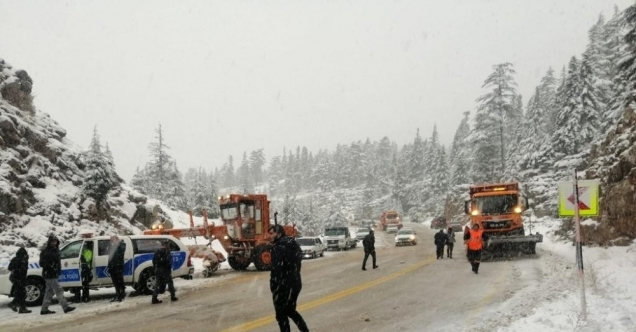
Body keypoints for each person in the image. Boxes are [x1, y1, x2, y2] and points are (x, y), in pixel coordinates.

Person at [268, 224, 309, 332]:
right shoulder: (293, 244)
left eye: (272, 233)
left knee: (281, 315)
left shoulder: (278, 248)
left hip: (283, 286)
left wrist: (274, 286)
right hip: (295, 284)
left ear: (279, 233)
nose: (270, 236)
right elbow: (297, 261)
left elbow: (276, 270)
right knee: (290, 311)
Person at [40, 235, 75, 315]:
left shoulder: (56, 250)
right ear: (49, 242)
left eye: (55, 241)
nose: (54, 243)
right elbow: (41, 263)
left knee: (49, 292)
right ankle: (65, 307)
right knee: (58, 290)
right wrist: (51, 266)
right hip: (49, 274)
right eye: (53, 241)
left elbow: (57, 262)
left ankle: (44, 309)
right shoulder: (46, 251)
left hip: (53, 274)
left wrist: (57, 270)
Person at [8, 247, 31, 314]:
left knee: (20, 292)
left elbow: (9, 268)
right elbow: (24, 270)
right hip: (21, 278)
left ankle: (20, 307)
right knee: (21, 293)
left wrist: (15, 269)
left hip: (14, 278)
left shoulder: (14, 259)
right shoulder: (24, 260)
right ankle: (17, 305)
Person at [108, 235, 126, 302]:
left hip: (118, 267)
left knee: (119, 282)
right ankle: (118, 294)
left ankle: (121, 295)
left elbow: (119, 254)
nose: (111, 240)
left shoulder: (122, 245)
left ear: (116, 239)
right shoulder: (112, 246)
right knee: (115, 283)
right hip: (112, 267)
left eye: (112, 239)